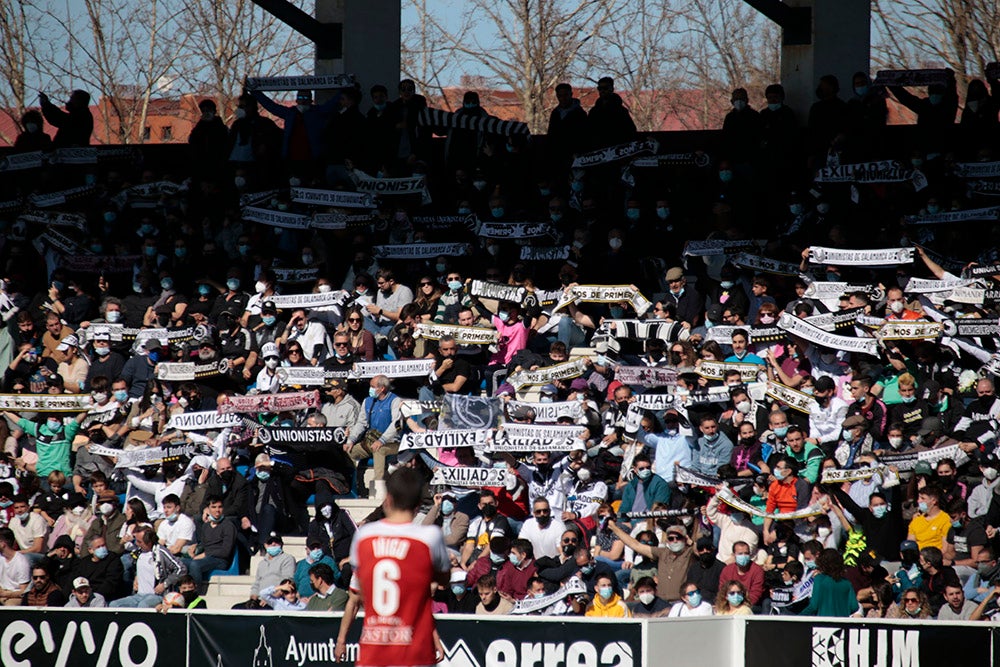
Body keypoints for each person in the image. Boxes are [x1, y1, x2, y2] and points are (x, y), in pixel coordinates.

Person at [336, 467, 450, 666]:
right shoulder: (430, 537)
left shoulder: (364, 536)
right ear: (418, 504)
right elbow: (442, 581)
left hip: (373, 649)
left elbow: (359, 594)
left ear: (387, 498)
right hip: (414, 649)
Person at [799, 549, 859, 617]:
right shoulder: (847, 583)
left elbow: (814, 606)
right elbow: (854, 607)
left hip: (824, 624)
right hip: (842, 624)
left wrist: (798, 617)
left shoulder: (820, 579)